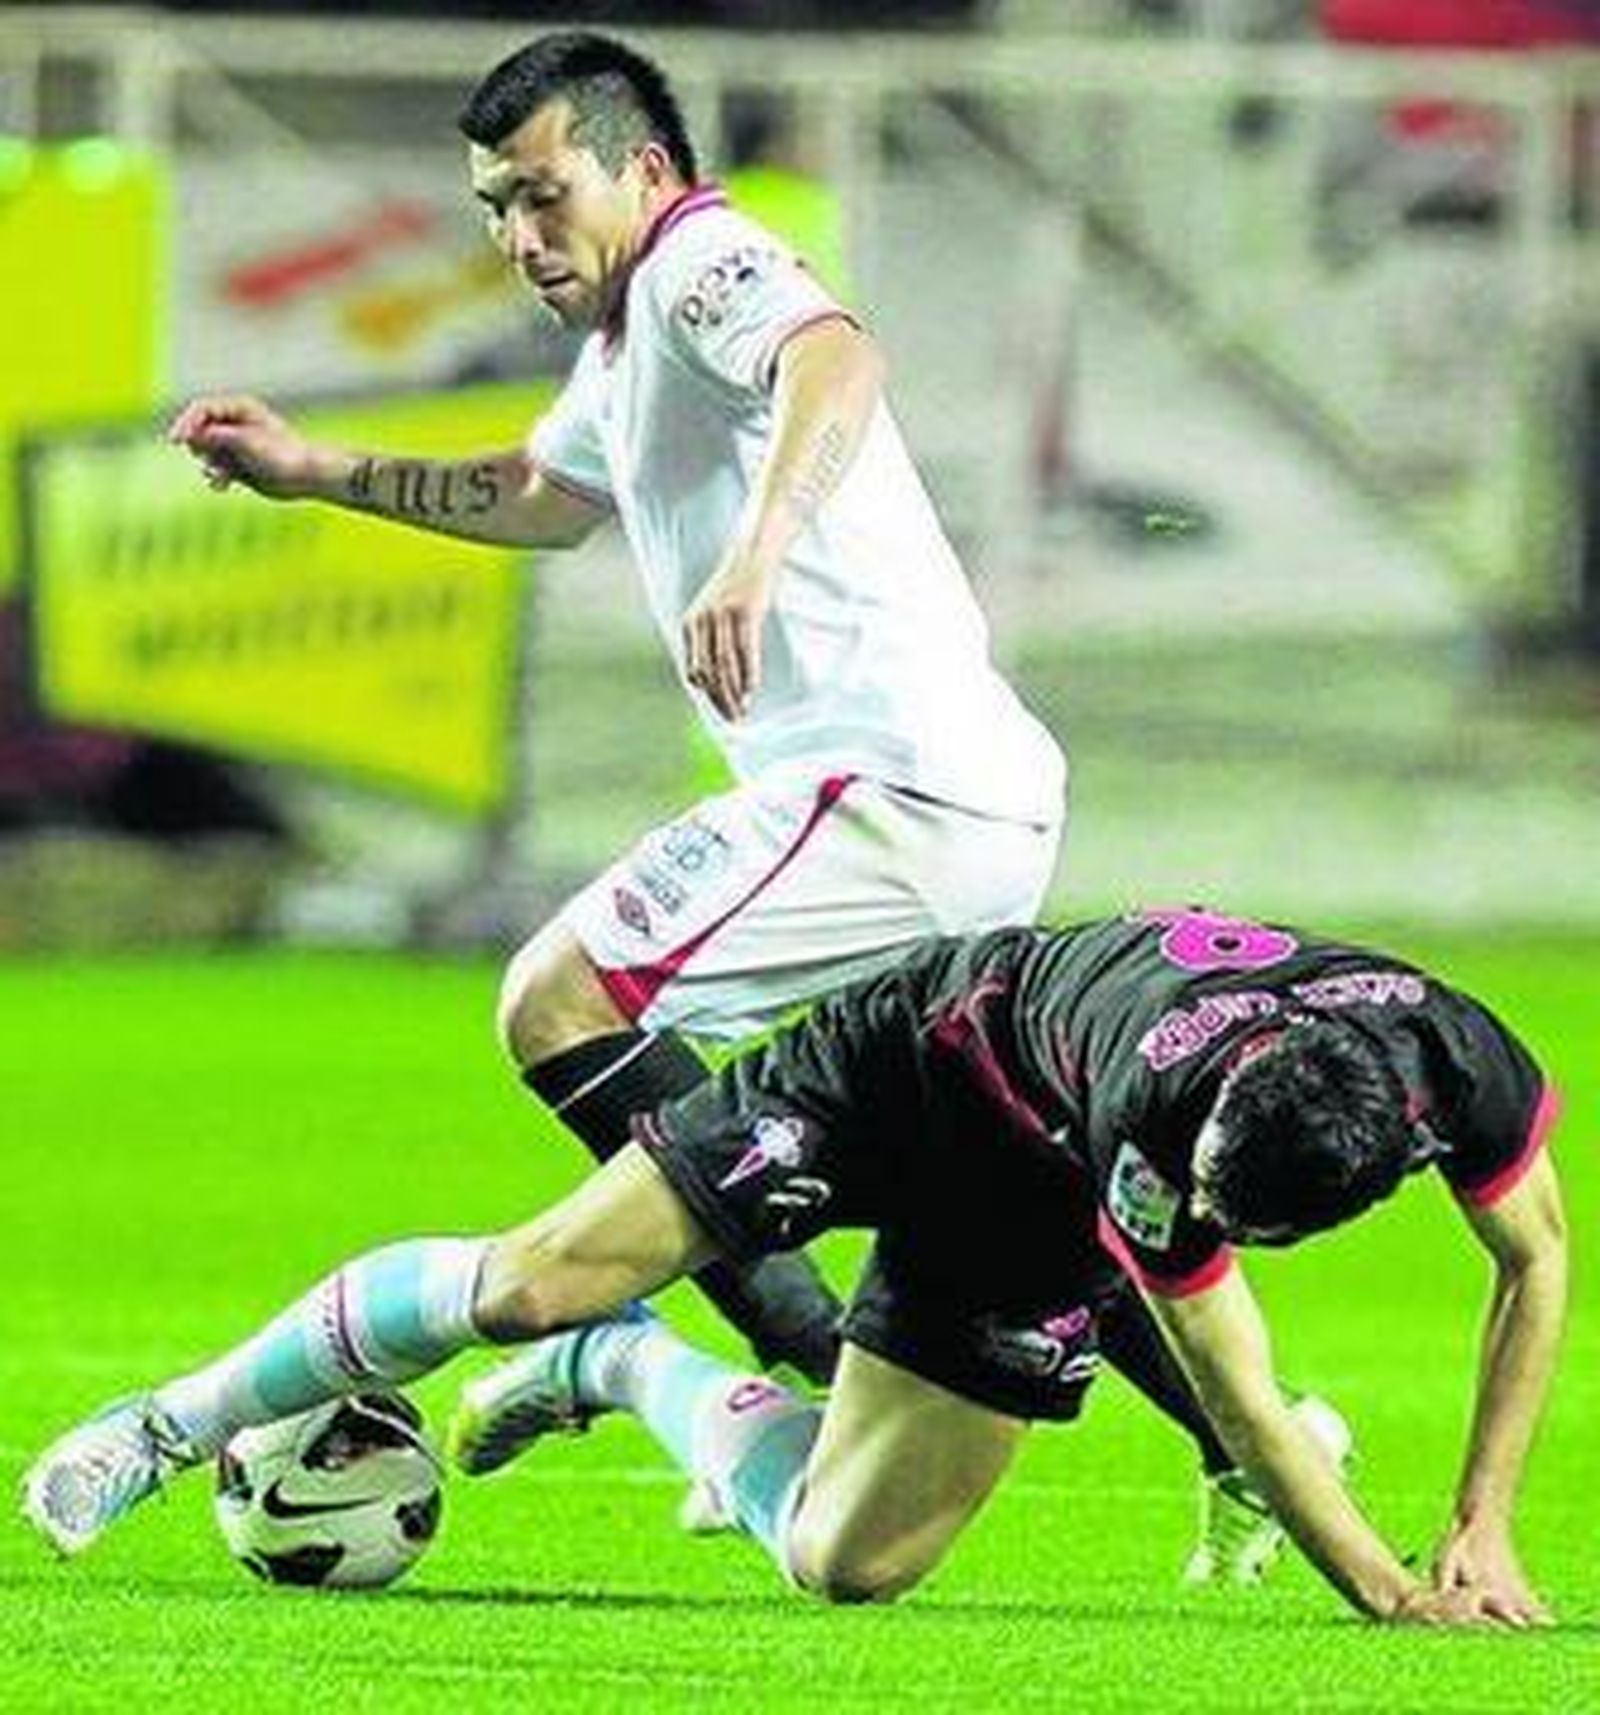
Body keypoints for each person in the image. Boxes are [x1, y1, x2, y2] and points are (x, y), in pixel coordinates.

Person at [161, 31, 1280, 1570]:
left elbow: (838, 359)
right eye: (495, 208)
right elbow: (538, 494)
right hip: (957, 795)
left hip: (886, 786)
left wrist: (756, 554)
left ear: (641, 169)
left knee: (560, 999)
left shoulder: (703, 261)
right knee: (975, 1150)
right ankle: (1253, 1436)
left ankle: (802, 1357)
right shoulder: (626, 344)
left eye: (543, 195)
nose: (519, 237)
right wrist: (313, 469)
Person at [23, 906, 1565, 1625]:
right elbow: (1237, 1401)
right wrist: (1389, 1589)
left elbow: (1537, 1260)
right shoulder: (1171, 1115)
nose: (1204, 1211)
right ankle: (161, 1426)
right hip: (909, 1060)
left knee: (849, 1565)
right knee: (534, 1277)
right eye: (1208, 1187)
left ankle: (619, 1366)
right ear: (1228, 1109)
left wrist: (1480, 1525)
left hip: (1027, 1193)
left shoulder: (1467, 1064)